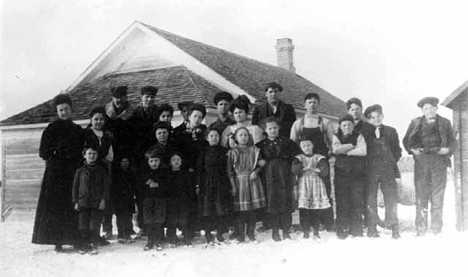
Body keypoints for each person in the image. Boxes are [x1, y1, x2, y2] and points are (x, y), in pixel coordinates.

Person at [32, 93, 84, 252]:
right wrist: (55, 153)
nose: (64, 112)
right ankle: (57, 241)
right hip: (55, 174)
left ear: (71, 109)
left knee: (72, 205)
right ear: (57, 111)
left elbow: (82, 149)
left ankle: (74, 239)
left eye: (66, 109)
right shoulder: (51, 129)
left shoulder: (77, 129)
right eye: (61, 110)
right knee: (56, 207)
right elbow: (43, 152)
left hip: (72, 173)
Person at [403, 97, 457, 236]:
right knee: (421, 195)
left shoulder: (444, 123)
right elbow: (406, 140)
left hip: (439, 160)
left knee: (437, 195)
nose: (429, 111)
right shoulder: (415, 122)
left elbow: (453, 142)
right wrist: (413, 150)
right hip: (421, 161)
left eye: (432, 108)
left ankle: (436, 229)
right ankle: (420, 228)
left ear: (436, 109)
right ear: (422, 110)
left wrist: (448, 150)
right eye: (426, 109)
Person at [290, 92, 335, 231]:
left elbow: (332, 142)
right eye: (309, 102)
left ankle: (327, 223)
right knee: (305, 192)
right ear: (304, 105)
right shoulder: (299, 123)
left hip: (320, 161)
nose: (312, 104)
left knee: (324, 191)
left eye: (315, 102)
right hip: (304, 162)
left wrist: (330, 157)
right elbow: (292, 143)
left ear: (318, 104)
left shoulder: (324, 122)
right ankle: (306, 224)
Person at [256, 117, 299, 241]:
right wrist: (261, 163)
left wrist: (293, 173)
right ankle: (275, 230)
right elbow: (257, 161)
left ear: (279, 128)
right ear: (265, 130)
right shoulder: (261, 145)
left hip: (285, 174)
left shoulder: (287, 142)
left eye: (275, 128)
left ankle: (286, 230)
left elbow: (294, 158)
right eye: (270, 128)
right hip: (270, 176)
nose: (273, 130)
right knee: (272, 201)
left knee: (286, 200)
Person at [364, 105, 402, 239]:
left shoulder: (391, 131)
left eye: (378, 116)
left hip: (387, 170)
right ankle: (372, 227)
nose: (376, 119)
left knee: (391, 198)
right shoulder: (364, 132)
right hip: (370, 170)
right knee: (370, 198)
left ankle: (394, 228)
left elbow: (397, 151)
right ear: (368, 120)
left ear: (382, 116)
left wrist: (390, 162)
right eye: (372, 117)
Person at [173, 103, 208, 239]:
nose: (197, 119)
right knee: (184, 200)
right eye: (195, 116)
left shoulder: (203, 133)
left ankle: (195, 228)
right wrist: (186, 166)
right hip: (184, 171)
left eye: (200, 117)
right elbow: (178, 152)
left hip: (198, 171)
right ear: (189, 116)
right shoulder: (179, 133)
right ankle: (185, 229)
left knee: (196, 199)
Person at [129, 85, 159, 237]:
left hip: (155, 158)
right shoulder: (135, 114)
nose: (149, 99)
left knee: (156, 193)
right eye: (146, 97)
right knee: (141, 195)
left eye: (152, 97)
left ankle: (157, 226)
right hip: (139, 159)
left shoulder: (159, 113)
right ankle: (142, 226)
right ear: (141, 98)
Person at [227, 127, 266, 242]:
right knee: (241, 210)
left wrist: (256, 171)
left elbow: (262, 163)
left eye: (246, 135)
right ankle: (240, 233)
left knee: (252, 210)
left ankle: (251, 232)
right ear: (236, 138)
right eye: (241, 135)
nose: (243, 137)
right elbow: (229, 171)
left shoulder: (255, 150)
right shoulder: (232, 152)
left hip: (253, 181)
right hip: (240, 182)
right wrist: (233, 186)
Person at [332, 114, 367, 239]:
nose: (347, 127)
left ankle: (356, 229)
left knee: (356, 200)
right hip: (341, 173)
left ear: (353, 125)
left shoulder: (359, 135)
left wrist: (346, 152)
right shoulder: (336, 136)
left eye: (349, 125)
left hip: (356, 173)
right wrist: (352, 146)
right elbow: (336, 150)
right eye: (344, 125)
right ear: (340, 126)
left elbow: (363, 151)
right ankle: (342, 229)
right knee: (342, 201)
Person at [82, 107, 114, 240]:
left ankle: (107, 229)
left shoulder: (108, 135)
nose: (98, 122)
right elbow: (83, 152)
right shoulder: (86, 134)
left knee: (104, 198)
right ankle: (91, 232)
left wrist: (105, 162)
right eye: (96, 119)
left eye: (101, 119)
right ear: (91, 120)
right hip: (89, 170)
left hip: (103, 170)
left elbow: (110, 155)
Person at [72, 147, 110, 255]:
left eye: (94, 154)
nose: (91, 156)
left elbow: (106, 187)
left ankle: (94, 244)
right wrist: (75, 201)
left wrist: (103, 200)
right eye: (89, 154)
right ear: (84, 155)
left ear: (97, 156)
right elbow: (75, 188)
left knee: (94, 225)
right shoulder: (79, 171)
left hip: (96, 203)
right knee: (83, 226)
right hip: (83, 202)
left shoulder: (101, 171)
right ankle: (85, 245)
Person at [291, 138, 331, 239]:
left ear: (313, 145)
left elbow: (324, 171)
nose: (306, 148)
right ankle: (305, 230)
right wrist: (307, 168)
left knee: (316, 208)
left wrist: (311, 169)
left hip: (316, 183)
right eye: (303, 146)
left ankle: (316, 230)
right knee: (304, 208)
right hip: (303, 184)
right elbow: (294, 170)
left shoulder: (319, 157)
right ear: (300, 147)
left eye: (308, 145)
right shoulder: (298, 158)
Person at [197, 128, 230, 244]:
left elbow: (228, 168)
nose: (214, 138)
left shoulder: (224, 151)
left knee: (220, 207)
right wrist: (198, 184)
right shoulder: (204, 151)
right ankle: (208, 232)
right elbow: (200, 169)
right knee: (208, 208)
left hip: (221, 182)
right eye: (211, 136)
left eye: (216, 135)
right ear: (207, 138)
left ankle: (220, 232)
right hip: (207, 182)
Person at [141, 148, 170, 251]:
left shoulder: (164, 172)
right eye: (151, 161)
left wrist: (157, 184)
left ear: (160, 161)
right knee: (148, 220)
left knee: (159, 220)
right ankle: (150, 240)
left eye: (156, 160)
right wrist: (146, 183)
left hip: (160, 199)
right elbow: (140, 186)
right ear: (148, 162)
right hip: (148, 199)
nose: (154, 163)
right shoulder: (144, 173)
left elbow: (167, 185)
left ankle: (158, 240)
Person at [166, 152, 193, 247]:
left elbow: (189, 187)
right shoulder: (168, 174)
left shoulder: (185, 173)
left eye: (178, 159)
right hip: (171, 200)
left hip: (183, 199)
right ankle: (172, 238)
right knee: (172, 219)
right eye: (173, 160)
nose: (176, 161)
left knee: (184, 219)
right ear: (170, 163)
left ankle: (187, 237)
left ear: (181, 162)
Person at [105, 86, 133, 163]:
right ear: (112, 98)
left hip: (127, 154)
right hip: (109, 154)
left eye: (122, 97)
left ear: (126, 98)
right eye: (116, 97)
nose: (119, 100)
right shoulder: (104, 114)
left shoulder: (133, 115)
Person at [112, 157, 136, 244]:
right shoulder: (116, 174)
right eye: (122, 161)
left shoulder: (131, 173)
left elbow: (134, 185)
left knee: (128, 217)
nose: (124, 163)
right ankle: (120, 235)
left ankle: (128, 234)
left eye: (126, 161)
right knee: (120, 217)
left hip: (129, 198)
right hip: (119, 198)